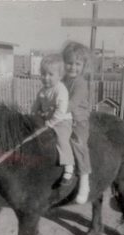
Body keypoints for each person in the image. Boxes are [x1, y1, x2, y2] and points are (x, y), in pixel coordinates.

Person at [32, 54, 75, 184]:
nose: (46, 78)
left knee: (62, 140)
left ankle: (69, 166)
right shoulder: (42, 91)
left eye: (50, 74)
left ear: (60, 76)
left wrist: (50, 123)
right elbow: (35, 106)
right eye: (43, 74)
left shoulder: (60, 90)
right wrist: (34, 115)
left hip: (62, 121)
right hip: (47, 120)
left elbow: (61, 111)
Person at [62, 41, 92, 204]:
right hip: (63, 118)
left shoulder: (81, 83)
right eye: (69, 63)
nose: (73, 67)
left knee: (78, 142)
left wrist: (57, 111)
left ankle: (84, 181)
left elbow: (72, 104)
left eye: (77, 64)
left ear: (83, 65)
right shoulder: (63, 80)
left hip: (77, 120)